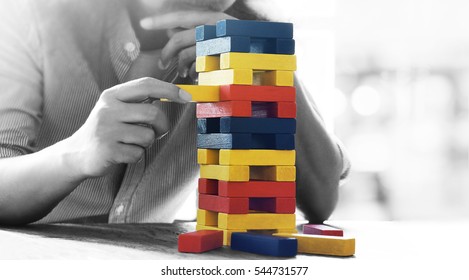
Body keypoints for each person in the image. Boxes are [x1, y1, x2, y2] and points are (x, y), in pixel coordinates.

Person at [0, 0, 350, 225]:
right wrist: (75, 155)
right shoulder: (33, 15)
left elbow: (321, 201)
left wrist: (272, 70)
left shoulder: (244, 43)